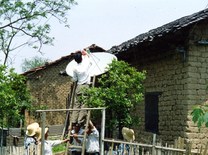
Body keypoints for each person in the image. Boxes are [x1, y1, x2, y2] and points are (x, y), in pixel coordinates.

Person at [71, 49, 92, 126]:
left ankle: (73, 120)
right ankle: (80, 121)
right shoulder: (86, 63)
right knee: (84, 103)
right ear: (81, 58)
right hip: (85, 85)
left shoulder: (75, 68)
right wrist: (86, 52)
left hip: (79, 86)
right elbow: (89, 56)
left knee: (77, 104)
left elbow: (74, 79)